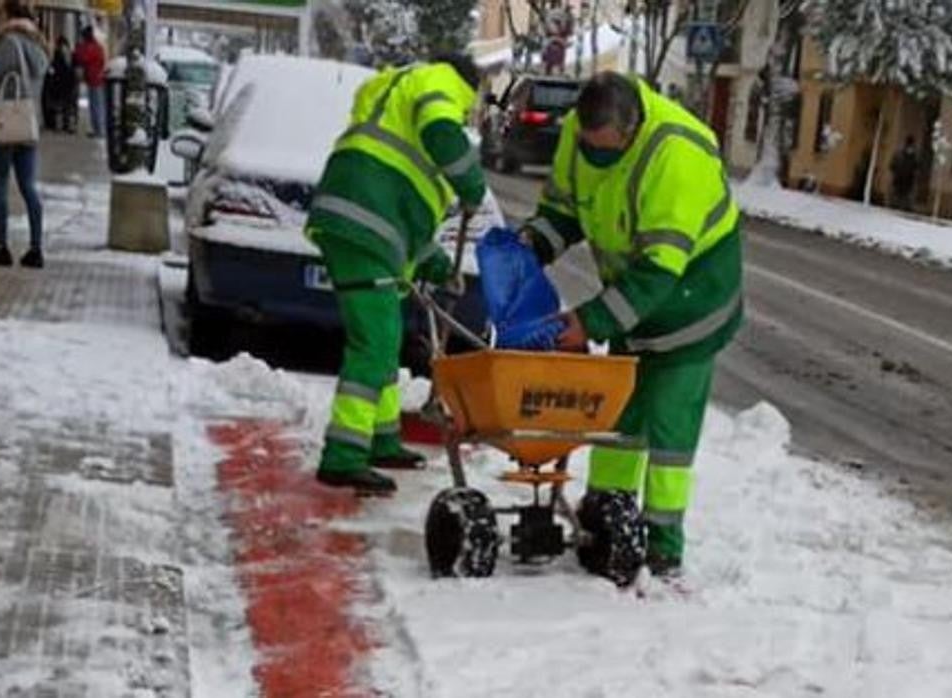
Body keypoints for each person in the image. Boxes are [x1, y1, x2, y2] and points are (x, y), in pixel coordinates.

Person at [519, 72, 743, 581]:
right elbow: (564, 211)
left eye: (606, 151)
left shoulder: (675, 157)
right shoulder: (578, 138)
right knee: (620, 414)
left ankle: (663, 544)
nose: (594, 158)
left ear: (633, 129)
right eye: (587, 146)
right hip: (631, 294)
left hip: (692, 300)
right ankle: (606, 516)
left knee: (667, 425)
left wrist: (591, 321)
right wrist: (531, 247)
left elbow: (658, 273)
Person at [306, 54, 488, 496]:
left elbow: (402, 211)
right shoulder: (439, 83)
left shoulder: (396, 90)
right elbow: (442, 134)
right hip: (362, 222)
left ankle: (382, 440)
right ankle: (343, 457)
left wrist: (440, 267)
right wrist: (472, 185)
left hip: (361, 220)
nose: (469, 111)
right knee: (375, 343)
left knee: (384, 342)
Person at [0, 0, 49, 269]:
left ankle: (1, 247)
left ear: (9, 15)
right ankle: (36, 248)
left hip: (5, 124)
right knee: (29, 187)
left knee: (0, 184)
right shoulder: (39, 45)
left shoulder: (10, 43)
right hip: (28, 126)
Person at [73, 26, 107, 138]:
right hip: (96, 78)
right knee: (95, 105)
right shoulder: (97, 47)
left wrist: (78, 49)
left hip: (95, 79)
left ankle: (99, 131)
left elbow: (82, 57)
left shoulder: (91, 47)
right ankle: (98, 129)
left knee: (95, 105)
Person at [43, 37, 77, 133]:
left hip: (60, 84)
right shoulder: (71, 55)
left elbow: (53, 69)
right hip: (68, 84)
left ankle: (60, 126)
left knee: (59, 106)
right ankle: (68, 126)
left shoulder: (57, 56)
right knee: (67, 106)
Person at [890, 136, 920, 210]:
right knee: (899, 194)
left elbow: (916, 168)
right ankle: (897, 205)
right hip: (901, 179)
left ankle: (901, 206)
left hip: (907, 180)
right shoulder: (901, 155)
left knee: (903, 194)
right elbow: (892, 165)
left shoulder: (913, 157)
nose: (910, 148)